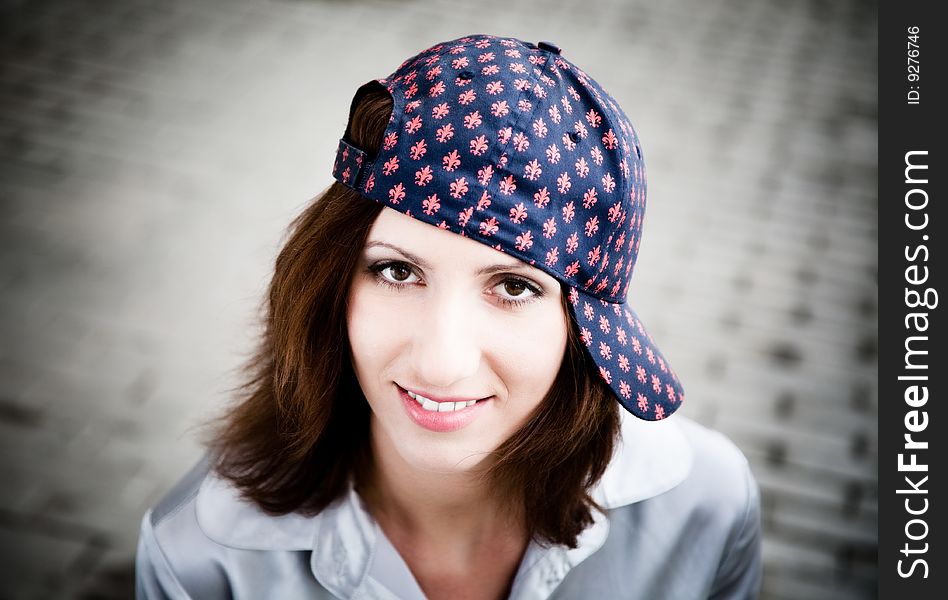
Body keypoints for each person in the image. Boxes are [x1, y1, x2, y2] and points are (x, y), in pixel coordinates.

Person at [135, 34, 762, 599]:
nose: (441, 361)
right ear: (331, 280)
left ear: (584, 330)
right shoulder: (201, 556)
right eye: (397, 272)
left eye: (514, 286)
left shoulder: (702, 508)